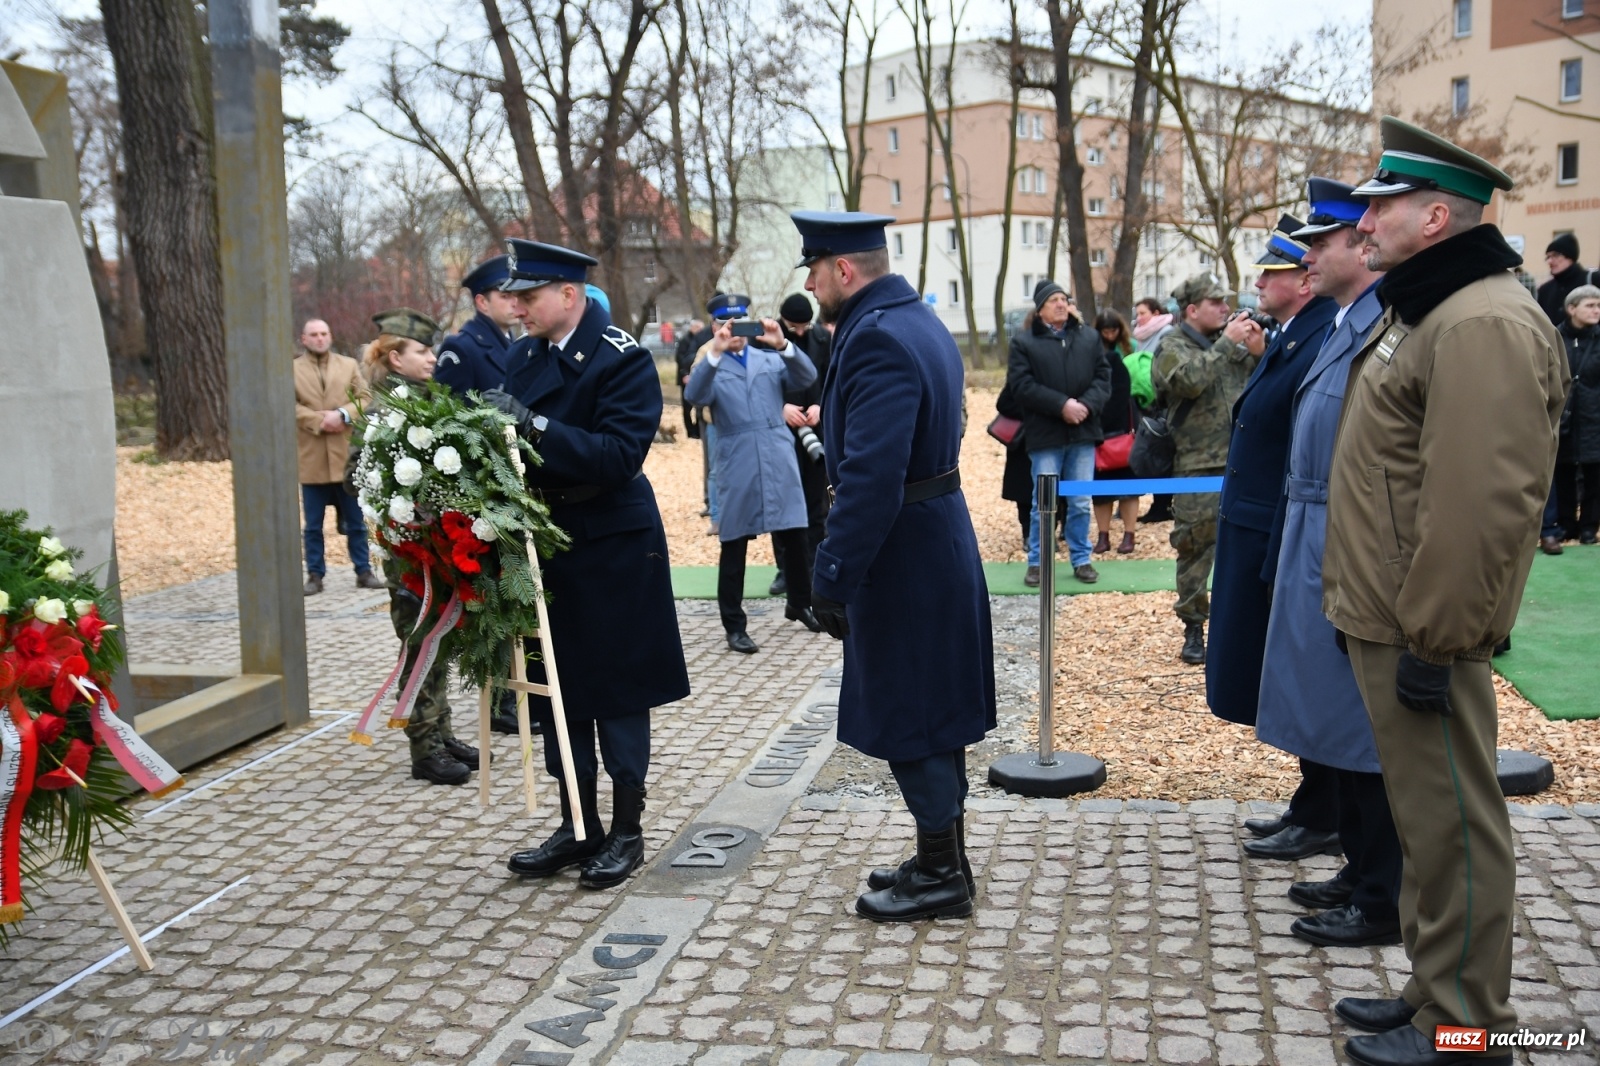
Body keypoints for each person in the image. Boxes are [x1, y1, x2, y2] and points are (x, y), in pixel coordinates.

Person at [1325, 117, 1568, 1066]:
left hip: (1424, 624)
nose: (1366, 218)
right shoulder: (1437, 306)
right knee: (1427, 820)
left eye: (1382, 204)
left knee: (1457, 824)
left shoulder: (1482, 322)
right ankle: (1435, 992)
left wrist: (1437, 638)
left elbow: (1479, 506)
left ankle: (1467, 1031)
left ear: (1435, 218)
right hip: (1394, 613)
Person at [791, 209, 995, 922]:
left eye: (815, 272)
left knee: (914, 713)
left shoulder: (876, 337)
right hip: (929, 535)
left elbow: (871, 476)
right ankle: (945, 856)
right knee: (934, 709)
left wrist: (832, 574)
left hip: (903, 548)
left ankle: (943, 874)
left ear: (843, 270)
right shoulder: (916, 320)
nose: (812, 286)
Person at [481, 239, 690, 891]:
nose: (516, 307)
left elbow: (617, 456)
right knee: (558, 687)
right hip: (546, 541)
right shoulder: (521, 357)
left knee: (618, 688)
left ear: (568, 295)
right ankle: (578, 824)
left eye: (528, 296)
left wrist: (535, 426)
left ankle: (626, 829)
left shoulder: (620, 359)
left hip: (612, 541)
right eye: (513, 297)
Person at [1255, 180, 1401, 950]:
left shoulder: (1386, 325)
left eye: (1322, 241)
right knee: (1335, 719)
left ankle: (1383, 892)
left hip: (1349, 540)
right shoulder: (1351, 323)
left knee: (1358, 721)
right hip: (1316, 530)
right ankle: (1360, 868)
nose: (1308, 256)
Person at [1203, 215, 1341, 863]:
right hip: (1256, 522)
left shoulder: (1316, 340)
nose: (1260, 280)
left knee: (1295, 673)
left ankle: (1325, 808)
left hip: (1276, 527)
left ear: (1303, 284)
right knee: (1272, 672)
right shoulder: (1292, 336)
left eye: (1273, 270)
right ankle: (1315, 801)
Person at [354, 308, 481, 786]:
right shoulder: (380, 414)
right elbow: (358, 476)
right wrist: (405, 500)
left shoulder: (424, 401)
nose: (433, 358)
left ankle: (441, 732)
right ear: (395, 357)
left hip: (438, 545)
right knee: (418, 644)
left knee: (439, 641)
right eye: (423, 351)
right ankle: (424, 747)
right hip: (408, 552)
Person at [683, 293, 823, 653]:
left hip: (777, 453)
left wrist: (784, 345)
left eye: (742, 322)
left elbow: (807, 376)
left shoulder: (768, 358)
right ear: (716, 327)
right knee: (734, 543)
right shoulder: (710, 364)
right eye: (729, 324)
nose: (737, 331)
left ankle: (801, 602)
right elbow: (696, 396)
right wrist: (714, 352)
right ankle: (734, 623)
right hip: (738, 457)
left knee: (795, 533)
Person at [1152, 273, 1262, 664]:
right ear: (1192, 310)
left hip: (1242, 461)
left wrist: (1260, 352)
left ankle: (1240, 626)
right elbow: (1187, 382)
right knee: (1195, 548)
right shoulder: (1171, 346)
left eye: (1225, 301)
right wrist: (1228, 344)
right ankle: (1194, 627)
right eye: (1215, 302)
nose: (1225, 308)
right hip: (1197, 466)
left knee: (1246, 547)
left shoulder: (1231, 345)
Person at [1008, 278, 1111, 588]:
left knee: (1080, 501)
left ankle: (1081, 559)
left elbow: (1104, 379)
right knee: (1044, 502)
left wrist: (1084, 406)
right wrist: (1061, 405)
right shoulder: (1024, 343)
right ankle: (1038, 561)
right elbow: (1022, 386)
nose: (1061, 304)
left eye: (1064, 298)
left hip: (1082, 432)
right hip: (1045, 436)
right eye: (1053, 300)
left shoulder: (1089, 339)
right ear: (1040, 310)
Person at [294, 318, 379, 596]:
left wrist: (342, 414)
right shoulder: (291, 370)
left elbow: (365, 396)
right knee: (313, 525)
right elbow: (287, 403)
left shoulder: (348, 365)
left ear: (330, 336)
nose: (320, 338)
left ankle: (363, 571)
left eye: (324, 333)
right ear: (304, 339)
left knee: (355, 521)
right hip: (311, 456)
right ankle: (315, 575)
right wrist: (319, 420)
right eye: (314, 334)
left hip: (346, 456)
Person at [769, 293, 831, 597]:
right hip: (780, 433)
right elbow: (758, 384)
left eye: (806, 325)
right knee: (782, 504)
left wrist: (821, 405)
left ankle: (815, 565)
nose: (803, 332)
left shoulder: (822, 338)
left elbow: (833, 377)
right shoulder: (764, 342)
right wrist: (781, 408)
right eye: (795, 327)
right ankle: (785, 569)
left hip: (815, 428)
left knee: (816, 504)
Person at [1090, 310, 1140, 554]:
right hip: (1101, 431)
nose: (1110, 335)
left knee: (1128, 490)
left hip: (1119, 430)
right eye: (1105, 330)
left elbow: (1122, 397)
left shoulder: (1122, 356)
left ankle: (1128, 534)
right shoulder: (1092, 355)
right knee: (1101, 493)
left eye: (1113, 330)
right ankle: (1104, 535)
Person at [434, 254, 518, 396]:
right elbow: (451, 415)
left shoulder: (518, 344)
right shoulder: (460, 348)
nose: (516, 302)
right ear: (482, 302)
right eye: (505, 296)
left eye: (518, 294)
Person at [1556, 285, 1600, 545]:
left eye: (1598, 306)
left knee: (1595, 475)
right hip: (1565, 417)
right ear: (1572, 308)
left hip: (1595, 417)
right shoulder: (1555, 336)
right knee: (1563, 473)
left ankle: (1589, 527)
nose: (1596, 310)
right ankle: (1566, 524)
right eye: (1590, 305)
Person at [1131, 297, 1174, 525]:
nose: (1139, 318)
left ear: (1156, 313)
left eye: (1143, 313)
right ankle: (1156, 502)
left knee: (1161, 451)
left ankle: (1163, 504)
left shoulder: (1166, 333)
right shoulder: (1142, 335)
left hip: (1161, 403)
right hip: (1145, 401)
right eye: (1137, 314)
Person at [1536, 232, 1591, 327]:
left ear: (1570, 256)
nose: (1550, 261)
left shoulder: (1591, 280)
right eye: (1548, 257)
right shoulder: (1545, 290)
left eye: (1555, 255)